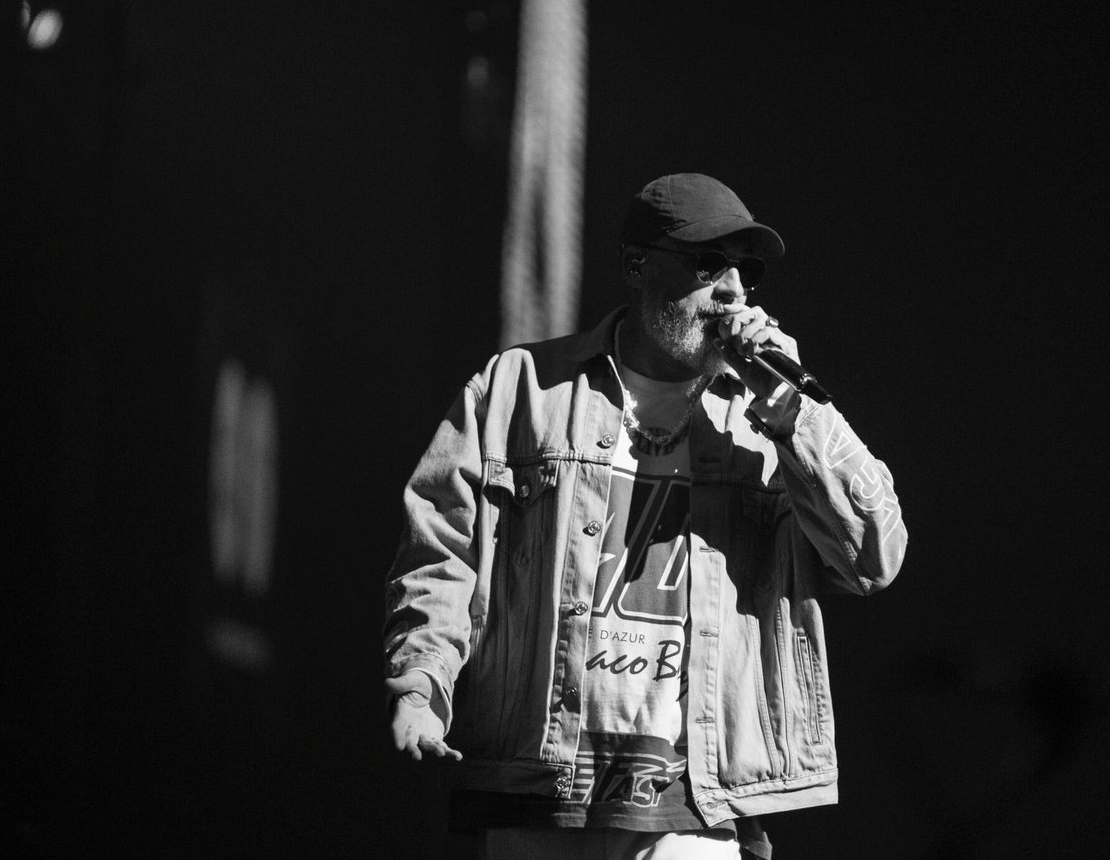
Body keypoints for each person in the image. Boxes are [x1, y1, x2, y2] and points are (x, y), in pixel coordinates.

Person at [384, 173, 907, 859]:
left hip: (692, 803)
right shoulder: (522, 388)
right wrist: (421, 681)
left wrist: (794, 415)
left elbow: (875, 557)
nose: (733, 290)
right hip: (539, 786)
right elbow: (442, 549)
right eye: (707, 263)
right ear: (637, 265)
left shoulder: (765, 420)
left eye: (746, 272)